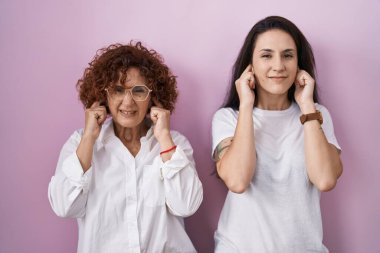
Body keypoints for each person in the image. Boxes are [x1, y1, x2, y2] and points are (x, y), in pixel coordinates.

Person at [48, 42, 203, 253]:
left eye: (139, 91)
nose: (128, 102)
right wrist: (90, 136)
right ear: (104, 96)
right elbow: (64, 207)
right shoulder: (79, 143)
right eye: (118, 90)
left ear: (152, 97)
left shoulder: (175, 144)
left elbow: (187, 206)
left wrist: (164, 137)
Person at [211, 16, 343, 252]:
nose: (279, 65)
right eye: (266, 55)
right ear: (249, 65)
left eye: (288, 55)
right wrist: (246, 105)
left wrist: (306, 105)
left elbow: (325, 179)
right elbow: (238, 180)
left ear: (299, 63)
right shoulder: (228, 118)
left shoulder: (316, 114)